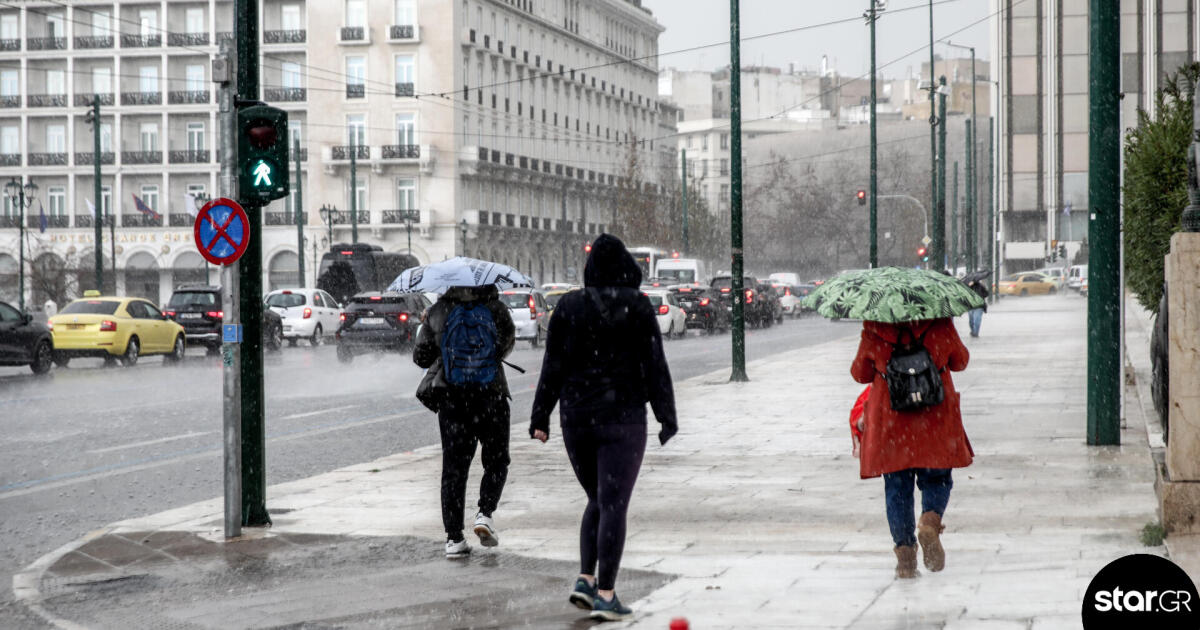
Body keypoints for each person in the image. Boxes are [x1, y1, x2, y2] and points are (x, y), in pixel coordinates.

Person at [530, 233, 677, 621]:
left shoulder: (568, 306)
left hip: (576, 419)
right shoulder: (639, 306)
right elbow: (655, 365)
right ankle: (606, 594)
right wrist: (666, 415)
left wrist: (540, 416)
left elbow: (553, 367)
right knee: (613, 503)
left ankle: (584, 579)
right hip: (623, 418)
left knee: (596, 498)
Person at [850, 318, 972, 579]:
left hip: (892, 422)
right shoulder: (940, 323)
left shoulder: (874, 327)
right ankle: (930, 520)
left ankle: (905, 558)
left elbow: (860, 373)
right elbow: (960, 361)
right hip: (934, 418)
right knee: (938, 477)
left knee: (897, 488)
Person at [413, 284, 516, 559]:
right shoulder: (495, 308)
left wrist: (437, 335)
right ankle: (485, 513)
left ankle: (454, 539)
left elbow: (420, 356)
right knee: (496, 459)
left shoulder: (440, 310)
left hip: (453, 400)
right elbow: (504, 347)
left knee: (454, 468)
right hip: (490, 395)